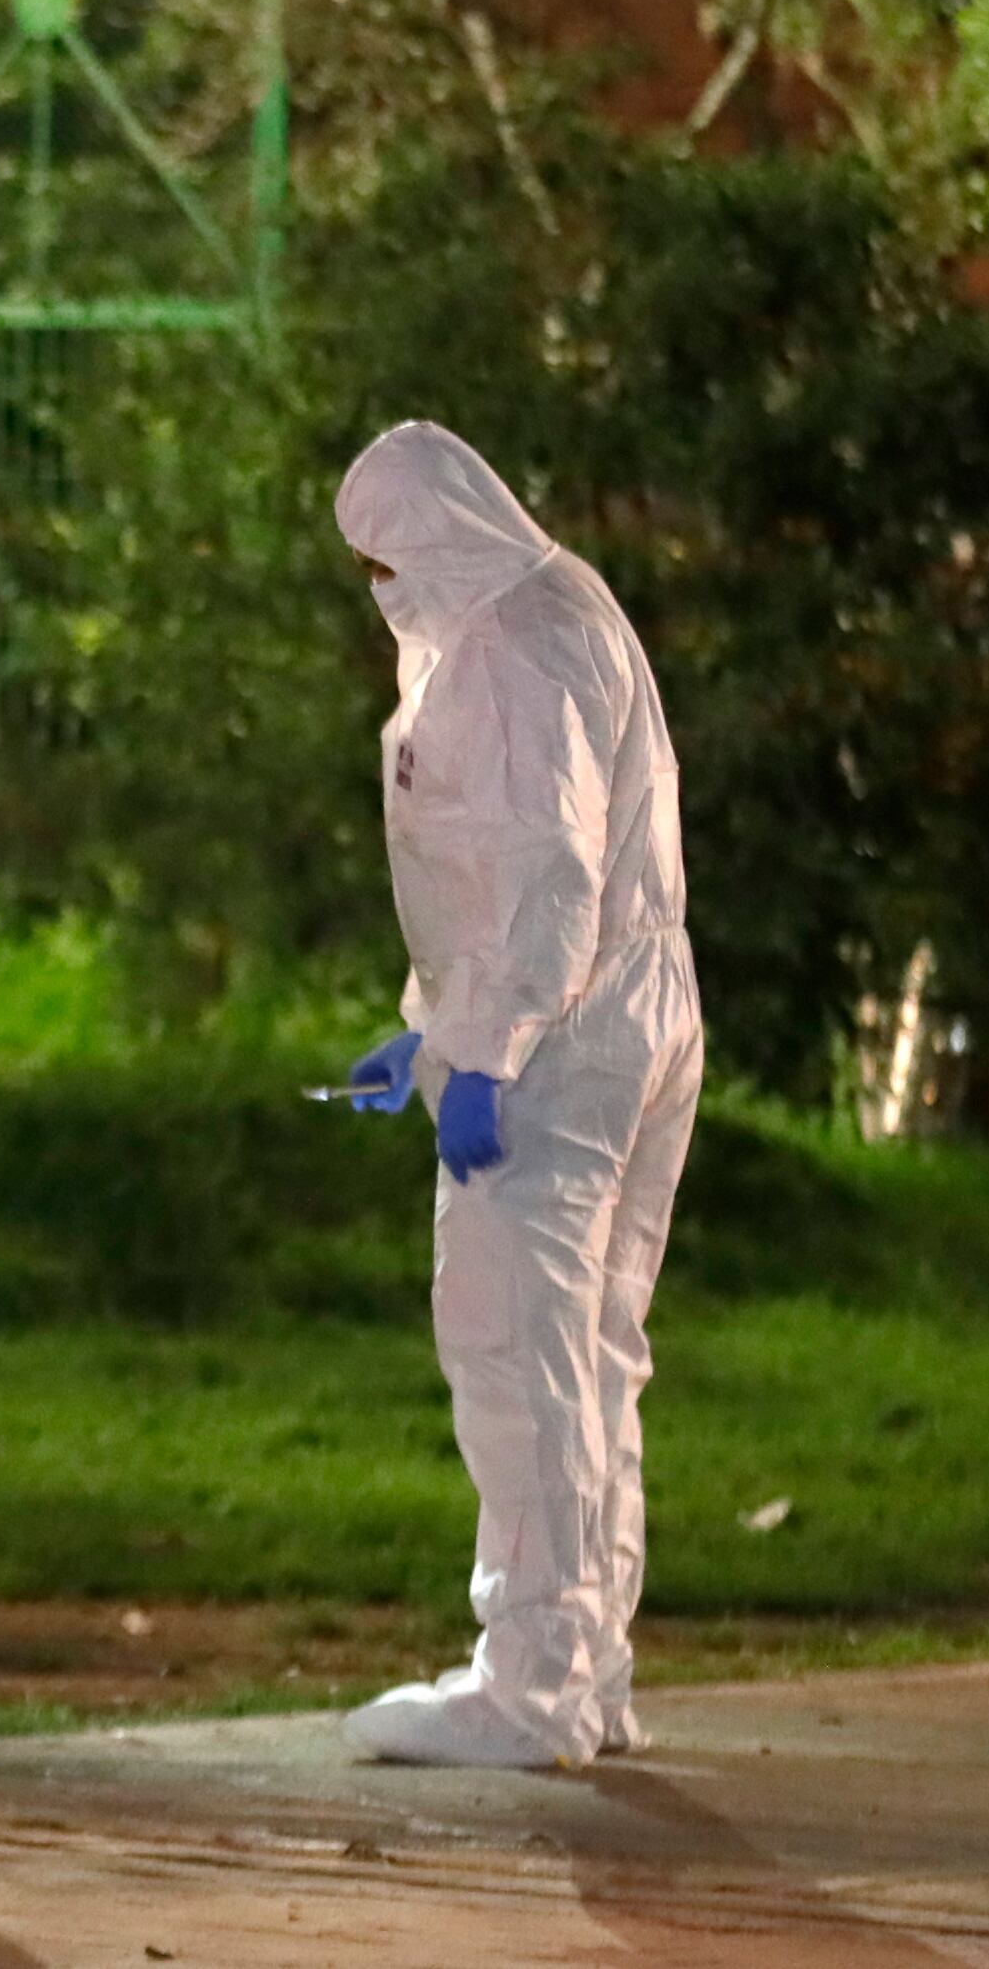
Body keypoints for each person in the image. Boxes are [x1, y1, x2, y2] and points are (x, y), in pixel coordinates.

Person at [329, 420, 701, 1770]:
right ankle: (585, 1671)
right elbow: (512, 868)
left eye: (379, 560)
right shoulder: (563, 603)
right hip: (625, 1011)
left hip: (560, 1037)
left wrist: (482, 1049)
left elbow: (547, 868)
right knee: (589, 1357)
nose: (377, 588)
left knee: (516, 1351)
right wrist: (428, 1026)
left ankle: (531, 1685)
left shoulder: (504, 643)